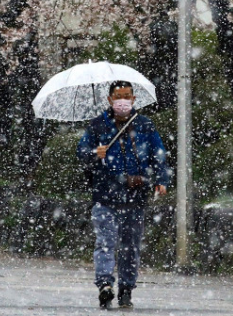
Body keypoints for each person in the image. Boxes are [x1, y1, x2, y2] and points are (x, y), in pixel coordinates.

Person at [77, 80, 170, 310]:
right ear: (109, 99)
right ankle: (105, 285)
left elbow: (158, 154)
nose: (123, 101)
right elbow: (81, 152)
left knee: (131, 246)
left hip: (135, 196)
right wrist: (94, 153)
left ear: (134, 99)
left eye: (127, 96)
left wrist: (161, 180)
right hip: (105, 195)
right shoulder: (98, 126)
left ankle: (126, 289)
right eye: (119, 96)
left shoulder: (145, 125)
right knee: (106, 242)